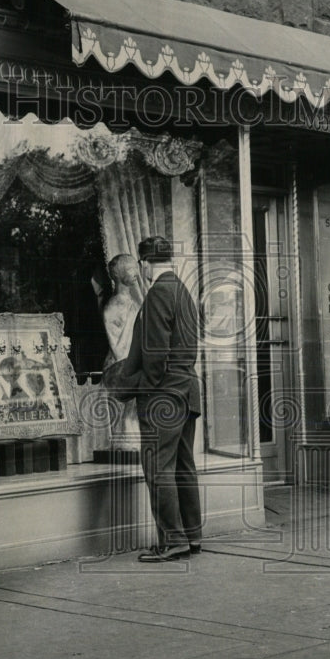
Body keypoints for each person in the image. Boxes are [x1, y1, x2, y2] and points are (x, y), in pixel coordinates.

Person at [119, 236, 202, 562]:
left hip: (163, 393)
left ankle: (172, 541)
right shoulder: (183, 292)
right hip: (187, 389)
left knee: (159, 467)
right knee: (183, 466)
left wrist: (139, 389)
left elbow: (155, 356)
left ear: (144, 263)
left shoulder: (157, 294)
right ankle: (191, 536)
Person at [102, 254, 143, 447]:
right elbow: (117, 346)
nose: (135, 273)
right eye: (130, 269)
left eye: (136, 268)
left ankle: (131, 441)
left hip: (132, 363)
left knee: (132, 412)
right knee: (127, 411)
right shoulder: (114, 306)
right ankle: (126, 442)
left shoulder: (131, 303)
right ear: (118, 275)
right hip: (122, 366)